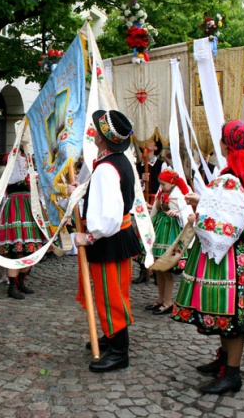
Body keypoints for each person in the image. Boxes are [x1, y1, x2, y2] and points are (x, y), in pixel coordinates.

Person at [171, 120, 244, 394]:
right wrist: (202, 202)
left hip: (228, 252)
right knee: (227, 310)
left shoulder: (229, 177)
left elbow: (227, 225)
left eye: (222, 138)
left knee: (233, 313)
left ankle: (232, 374)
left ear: (228, 144)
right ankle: (224, 361)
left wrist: (197, 218)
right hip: (237, 247)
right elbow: (235, 210)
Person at [74, 109, 141, 373]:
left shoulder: (106, 168)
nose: (93, 134)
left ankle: (119, 351)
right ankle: (110, 336)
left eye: (96, 131)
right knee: (113, 292)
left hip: (110, 237)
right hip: (118, 236)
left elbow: (110, 215)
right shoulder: (119, 160)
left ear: (103, 138)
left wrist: (89, 236)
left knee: (110, 294)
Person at [0, 148, 46, 297]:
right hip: (15, 209)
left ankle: (21, 282)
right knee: (16, 251)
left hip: (29, 209)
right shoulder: (11, 171)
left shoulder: (32, 173)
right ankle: (12, 286)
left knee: (30, 250)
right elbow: (15, 168)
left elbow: (40, 191)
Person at [144, 169, 193, 316]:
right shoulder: (163, 193)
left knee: (166, 269)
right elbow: (158, 209)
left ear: (171, 183)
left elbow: (187, 213)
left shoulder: (178, 196)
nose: (161, 186)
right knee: (158, 267)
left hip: (171, 231)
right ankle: (160, 299)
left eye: (163, 184)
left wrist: (177, 214)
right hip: (161, 229)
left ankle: (168, 302)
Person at [132, 137, 168, 284]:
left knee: (156, 236)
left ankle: (157, 271)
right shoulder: (138, 165)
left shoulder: (162, 164)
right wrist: (141, 181)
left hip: (155, 202)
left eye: (150, 141)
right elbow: (133, 186)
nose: (145, 143)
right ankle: (143, 269)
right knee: (141, 235)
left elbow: (165, 185)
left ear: (155, 146)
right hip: (143, 202)